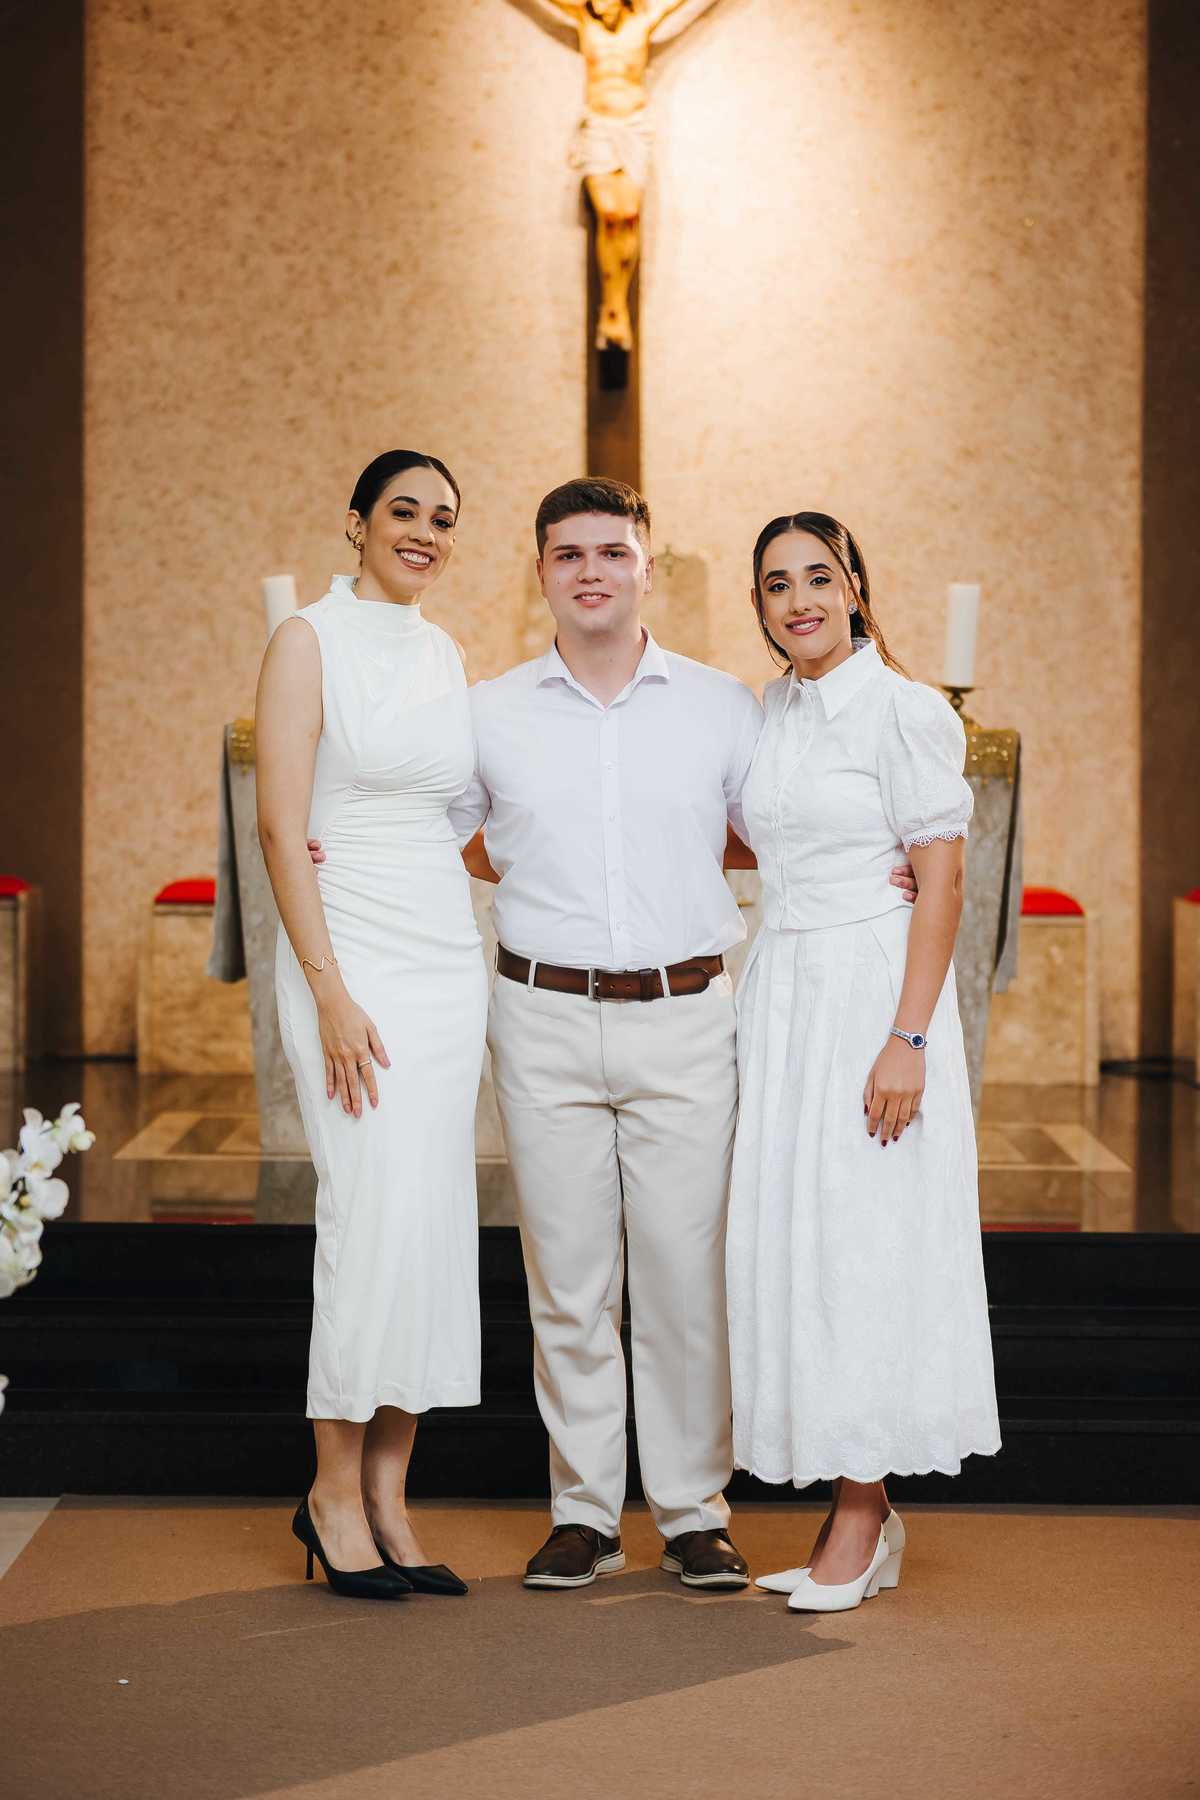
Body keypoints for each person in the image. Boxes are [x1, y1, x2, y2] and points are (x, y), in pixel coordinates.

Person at [726, 511, 1001, 1615]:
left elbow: (943, 880)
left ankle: (861, 1513)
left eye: (817, 577)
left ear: (854, 587)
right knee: (805, 1242)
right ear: (760, 605)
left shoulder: (906, 709)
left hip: (872, 1001)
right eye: (776, 584)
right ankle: (857, 1504)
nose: (799, 600)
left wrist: (909, 1037)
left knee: (864, 1242)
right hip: (785, 992)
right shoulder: (770, 711)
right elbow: (761, 836)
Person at [257, 449, 486, 1601]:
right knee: (367, 1211)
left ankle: (392, 1495)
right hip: (349, 951)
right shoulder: (308, 640)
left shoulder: (444, 652)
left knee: (431, 1219)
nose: (425, 533)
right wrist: (330, 990)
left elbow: (466, 823)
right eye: (405, 511)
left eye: (444, 519)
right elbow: (278, 824)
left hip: (444, 958)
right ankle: (332, 1494)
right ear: (357, 523)